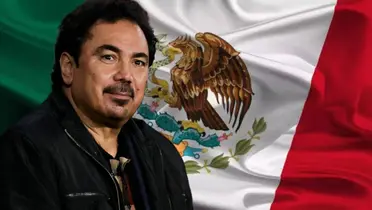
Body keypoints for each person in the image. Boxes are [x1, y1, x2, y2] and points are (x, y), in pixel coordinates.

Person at [0, 0, 193, 209]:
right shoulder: (28, 150)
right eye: (109, 57)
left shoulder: (163, 153)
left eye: (138, 62)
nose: (126, 75)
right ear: (68, 67)